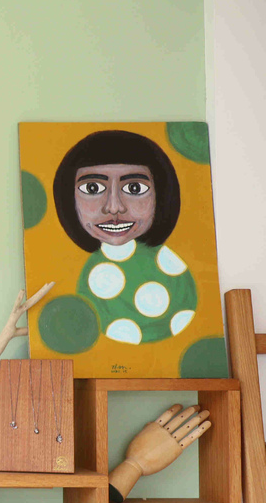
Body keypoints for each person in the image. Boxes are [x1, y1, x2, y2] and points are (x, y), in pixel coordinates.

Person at [38, 130, 197, 352]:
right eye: (92, 188)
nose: (114, 207)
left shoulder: (175, 277)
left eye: (135, 188)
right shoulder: (85, 284)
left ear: (161, 194)